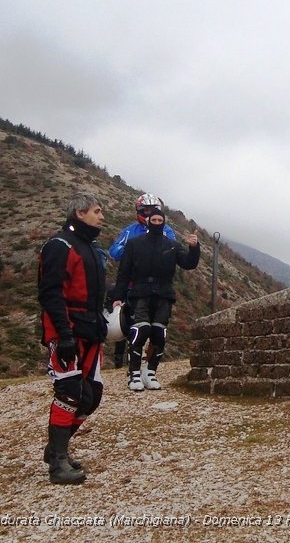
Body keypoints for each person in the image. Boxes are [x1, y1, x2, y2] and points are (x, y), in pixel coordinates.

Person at [38, 191, 108, 484]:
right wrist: (64, 334)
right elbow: (50, 293)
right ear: (79, 213)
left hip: (91, 331)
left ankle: (57, 447)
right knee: (69, 392)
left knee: (91, 396)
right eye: (96, 210)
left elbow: (94, 293)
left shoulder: (92, 248)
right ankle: (58, 462)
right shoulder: (59, 245)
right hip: (66, 329)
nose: (102, 216)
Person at [112, 208, 200, 391]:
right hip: (140, 292)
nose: (157, 223)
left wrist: (194, 248)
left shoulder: (172, 245)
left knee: (160, 333)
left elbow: (189, 263)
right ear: (149, 221)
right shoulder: (134, 244)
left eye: (161, 220)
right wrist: (118, 297)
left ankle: (150, 372)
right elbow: (124, 272)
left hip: (164, 294)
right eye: (155, 220)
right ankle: (134, 373)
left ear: (164, 222)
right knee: (140, 330)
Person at [107, 193, 176, 368]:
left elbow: (172, 250)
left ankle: (149, 364)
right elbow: (114, 251)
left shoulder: (166, 230)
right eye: (145, 210)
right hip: (132, 284)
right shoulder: (130, 231)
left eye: (153, 210)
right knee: (129, 321)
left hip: (158, 287)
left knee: (157, 325)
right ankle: (121, 361)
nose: (149, 214)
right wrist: (133, 250)